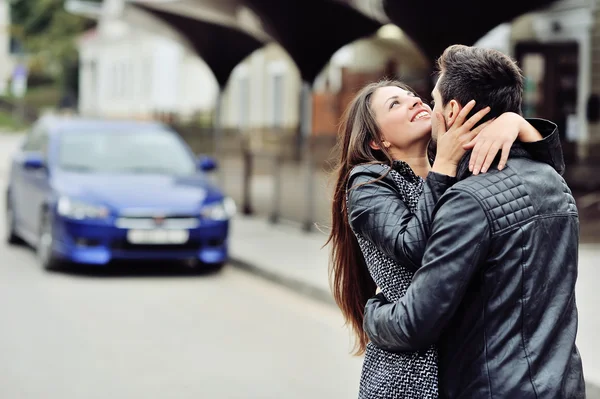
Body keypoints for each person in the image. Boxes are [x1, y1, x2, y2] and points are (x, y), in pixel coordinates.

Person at [361, 45, 584, 398]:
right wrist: (516, 121)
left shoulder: (466, 199)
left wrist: (372, 311)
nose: (425, 108)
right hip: (562, 386)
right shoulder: (553, 181)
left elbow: (415, 324)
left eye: (432, 101)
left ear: (451, 110)